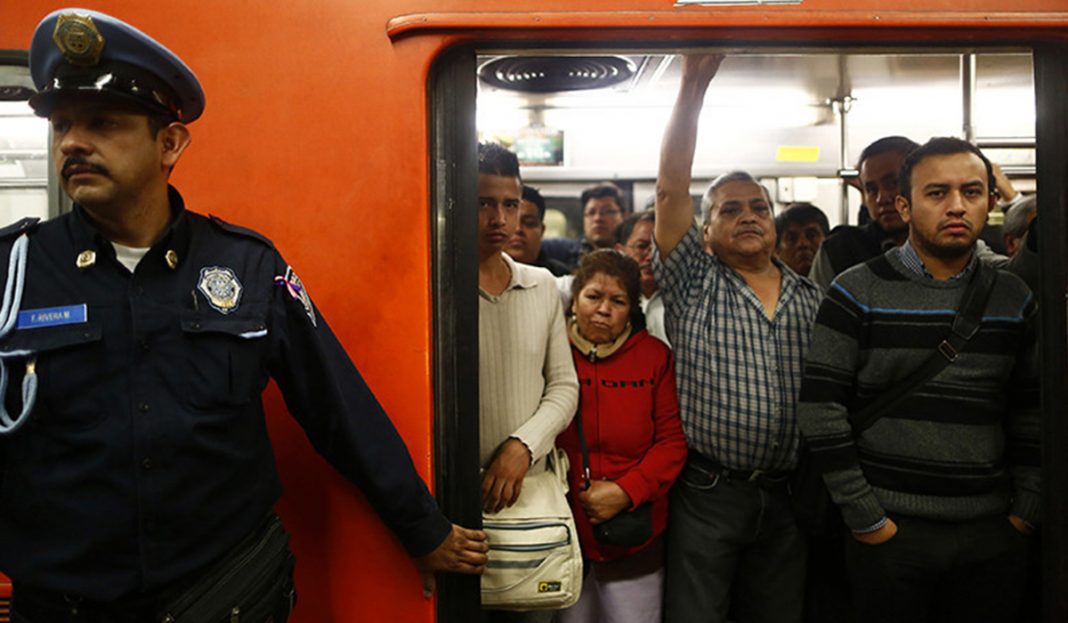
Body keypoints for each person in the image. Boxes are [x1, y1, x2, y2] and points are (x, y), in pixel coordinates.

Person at [0, 8, 488, 622]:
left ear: (169, 143)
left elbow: (337, 405)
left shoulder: (244, 266)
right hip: (65, 605)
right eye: (62, 125)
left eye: (102, 122)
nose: (72, 142)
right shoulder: (14, 272)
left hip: (218, 595)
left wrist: (421, 528)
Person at [797, 137, 1040, 623]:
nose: (957, 206)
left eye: (971, 192)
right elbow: (821, 408)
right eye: (937, 193)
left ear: (991, 202)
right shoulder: (856, 290)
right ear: (905, 206)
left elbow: (1033, 406)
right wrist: (865, 514)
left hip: (991, 529)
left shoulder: (1013, 296)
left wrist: (1027, 508)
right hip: (891, 529)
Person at [654, 54, 821, 623]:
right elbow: (670, 191)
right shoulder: (694, 283)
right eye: (731, 210)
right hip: (710, 491)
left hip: (789, 493)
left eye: (759, 207)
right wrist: (692, 85)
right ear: (705, 232)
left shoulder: (812, 299)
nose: (749, 216)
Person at [554, 249, 687, 623]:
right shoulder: (552, 352)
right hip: (563, 536)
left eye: (618, 301)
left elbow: (672, 442)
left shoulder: (655, 357)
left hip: (635, 534)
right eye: (593, 296)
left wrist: (625, 491)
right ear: (574, 301)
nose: (603, 309)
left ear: (631, 310)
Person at [476, 142, 580, 623]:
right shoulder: (433, 283)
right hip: (451, 496)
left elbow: (564, 386)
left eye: (510, 204)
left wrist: (524, 445)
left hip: (527, 495)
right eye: (483, 203)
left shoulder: (540, 285)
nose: (499, 218)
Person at [542, 182, 630, 272]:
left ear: (624, 216)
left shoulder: (632, 253)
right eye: (591, 212)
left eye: (607, 211)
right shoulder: (562, 251)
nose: (598, 218)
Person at [615, 210, 669, 345]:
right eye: (641, 246)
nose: (651, 256)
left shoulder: (684, 301)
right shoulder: (607, 299)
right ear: (620, 251)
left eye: (659, 248)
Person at [504, 185, 570, 276]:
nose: (518, 229)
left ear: (542, 231)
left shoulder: (560, 276)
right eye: (511, 222)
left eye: (529, 223)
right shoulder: (483, 275)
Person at [774, 202, 829, 277]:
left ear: (827, 240)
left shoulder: (842, 281)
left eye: (811, 235)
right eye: (792, 238)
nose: (803, 244)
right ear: (776, 250)